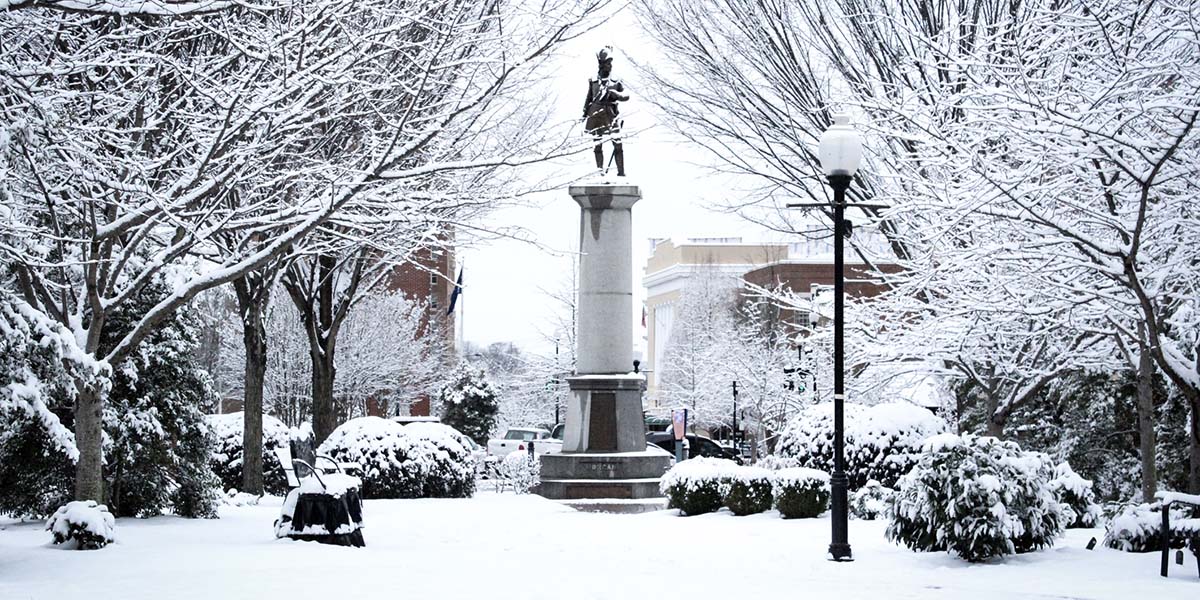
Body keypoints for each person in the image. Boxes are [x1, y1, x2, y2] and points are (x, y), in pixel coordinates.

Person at [582, 46, 629, 176]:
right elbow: (589, 97)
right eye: (608, 63)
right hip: (595, 114)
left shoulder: (616, 81)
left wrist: (616, 94)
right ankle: (600, 172)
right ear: (602, 65)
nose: (610, 66)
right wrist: (584, 113)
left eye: (610, 63)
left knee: (618, 144)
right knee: (597, 145)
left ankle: (621, 172)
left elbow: (626, 95)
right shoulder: (594, 80)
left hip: (611, 114)